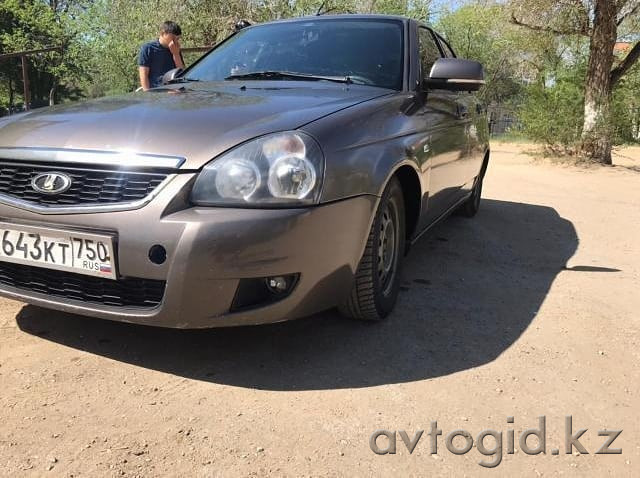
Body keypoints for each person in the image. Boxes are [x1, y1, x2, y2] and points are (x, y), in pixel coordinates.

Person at [138, 21, 185, 90]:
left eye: (177, 39)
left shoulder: (176, 48)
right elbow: (143, 74)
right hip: (156, 91)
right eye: (172, 38)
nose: (175, 41)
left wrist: (176, 54)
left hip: (174, 91)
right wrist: (147, 94)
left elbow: (181, 73)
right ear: (163, 33)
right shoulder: (148, 48)